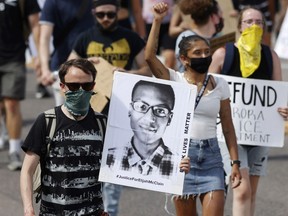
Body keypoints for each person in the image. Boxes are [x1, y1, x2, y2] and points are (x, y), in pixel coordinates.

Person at [145, 3, 242, 215]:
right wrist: (158, 21)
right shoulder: (174, 79)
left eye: (207, 52)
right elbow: (149, 58)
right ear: (184, 59)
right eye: (197, 53)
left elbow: (227, 126)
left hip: (211, 159)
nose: (204, 56)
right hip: (181, 160)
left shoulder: (220, 84)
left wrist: (235, 162)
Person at [209, 7, 288, 216]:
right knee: (242, 190)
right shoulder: (223, 54)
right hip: (230, 134)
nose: (254, 26)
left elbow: (278, 95)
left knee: (251, 193)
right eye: (249, 22)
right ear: (239, 26)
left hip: (259, 134)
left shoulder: (271, 56)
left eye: (259, 22)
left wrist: (283, 110)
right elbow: (204, 92)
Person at [20, 58, 108, 216]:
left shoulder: (102, 123)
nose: (80, 91)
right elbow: (27, 170)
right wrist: (28, 208)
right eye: (74, 86)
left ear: (93, 86)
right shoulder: (47, 121)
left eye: (86, 86)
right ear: (62, 87)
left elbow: (115, 169)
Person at [0, 0, 41, 171]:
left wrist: (39, 56)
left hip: (14, 57)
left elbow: (35, 24)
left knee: (12, 103)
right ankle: (3, 133)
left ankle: (14, 150)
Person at [106, 80, 177, 178]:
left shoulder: (178, 165)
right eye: (142, 107)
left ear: (170, 118)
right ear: (130, 109)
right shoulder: (108, 158)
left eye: (160, 110)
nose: (149, 119)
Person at [68, 0, 151, 78]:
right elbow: (67, 68)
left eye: (110, 14)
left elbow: (148, 70)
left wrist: (128, 73)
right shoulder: (84, 38)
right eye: (100, 15)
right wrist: (84, 64)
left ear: (117, 13)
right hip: (93, 91)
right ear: (94, 13)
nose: (105, 18)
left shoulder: (131, 37)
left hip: (122, 88)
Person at [39, 0, 95, 105]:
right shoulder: (53, 2)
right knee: (65, 117)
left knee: (95, 117)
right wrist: (45, 69)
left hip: (93, 68)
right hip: (63, 68)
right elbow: (44, 38)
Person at [174, 0, 224, 72]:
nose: (222, 14)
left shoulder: (219, 36)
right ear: (214, 17)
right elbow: (184, 68)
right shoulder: (186, 37)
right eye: (219, 12)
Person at [142, 0, 177, 69]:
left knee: (169, 60)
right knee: (148, 59)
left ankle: (165, 78)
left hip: (169, 24)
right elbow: (137, 10)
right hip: (148, 23)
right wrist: (141, 33)